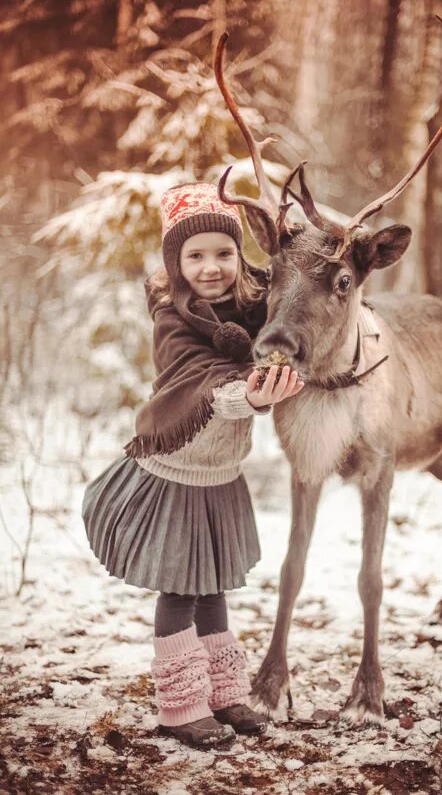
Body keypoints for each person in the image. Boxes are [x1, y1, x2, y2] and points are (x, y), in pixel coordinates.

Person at [82, 182, 304, 750]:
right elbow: (204, 386)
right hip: (176, 474)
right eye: (196, 255)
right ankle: (181, 707)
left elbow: (290, 321)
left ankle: (224, 693)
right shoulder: (174, 318)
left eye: (224, 253)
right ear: (176, 264)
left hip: (221, 474)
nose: (212, 267)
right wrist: (251, 398)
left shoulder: (253, 312)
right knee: (180, 590)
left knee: (214, 588)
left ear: (239, 255)